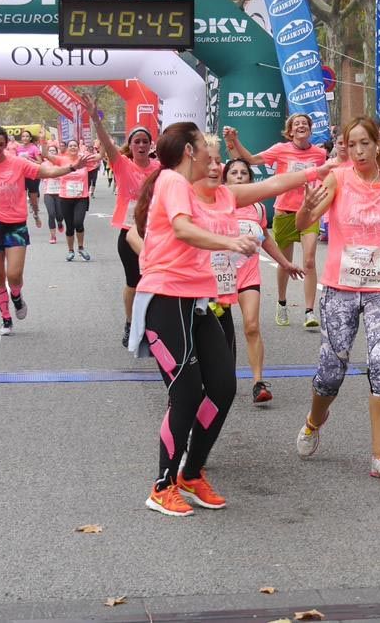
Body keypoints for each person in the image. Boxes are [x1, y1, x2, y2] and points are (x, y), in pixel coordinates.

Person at [127, 122, 332, 517]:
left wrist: (317, 171)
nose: (214, 157)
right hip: (167, 300)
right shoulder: (171, 181)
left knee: (222, 388)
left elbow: (272, 186)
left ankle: (191, 473)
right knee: (185, 393)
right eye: (208, 149)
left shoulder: (223, 195)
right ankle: (161, 486)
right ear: (190, 151)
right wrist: (228, 242)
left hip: (200, 301)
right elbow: (182, 229)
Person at [292, 116, 380, 484]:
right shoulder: (337, 179)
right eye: (351, 145)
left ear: (377, 144)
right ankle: (313, 421)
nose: (357, 151)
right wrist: (306, 207)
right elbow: (304, 222)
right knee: (331, 370)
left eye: (364, 143)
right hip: (340, 287)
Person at [0, 120, 95, 335]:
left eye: (0, 144)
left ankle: (16, 296)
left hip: (15, 226)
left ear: (6, 145)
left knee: (13, 275)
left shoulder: (18, 163)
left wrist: (72, 167)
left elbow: (46, 172)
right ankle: (6, 319)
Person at [223, 114, 327, 331]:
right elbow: (252, 160)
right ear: (290, 131)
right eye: (296, 124)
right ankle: (282, 302)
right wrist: (234, 142)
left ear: (310, 129)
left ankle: (309, 311)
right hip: (285, 211)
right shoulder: (280, 149)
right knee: (285, 261)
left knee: (309, 260)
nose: (301, 126)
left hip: (308, 211)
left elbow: (328, 179)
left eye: (304, 124)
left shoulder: (320, 154)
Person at [224, 157, 306, 403]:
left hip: (248, 273)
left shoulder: (258, 208)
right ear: (225, 177)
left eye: (243, 173)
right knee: (220, 333)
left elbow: (265, 238)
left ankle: (258, 382)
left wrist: (285, 263)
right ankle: (219, 379)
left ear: (250, 179)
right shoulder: (216, 203)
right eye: (234, 173)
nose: (239, 176)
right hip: (220, 276)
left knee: (251, 326)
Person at [84, 95, 161, 347]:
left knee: (156, 281)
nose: (141, 145)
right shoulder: (122, 164)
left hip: (156, 233)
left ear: (151, 145)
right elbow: (106, 142)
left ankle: (152, 325)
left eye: (145, 141)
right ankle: (130, 323)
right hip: (128, 232)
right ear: (130, 145)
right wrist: (96, 119)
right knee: (133, 281)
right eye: (136, 141)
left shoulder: (160, 168)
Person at [47, 140, 94, 261]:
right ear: (67, 148)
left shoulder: (84, 159)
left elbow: (99, 156)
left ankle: (81, 248)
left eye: (75, 145)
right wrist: (42, 141)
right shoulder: (61, 159)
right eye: (71, 146)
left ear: (78, 148)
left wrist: (103, 143)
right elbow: (45, 154)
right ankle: (70, 251)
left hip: (81, 198)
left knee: (78, 222)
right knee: (69, 226)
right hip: (65, 198)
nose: (73, 147)